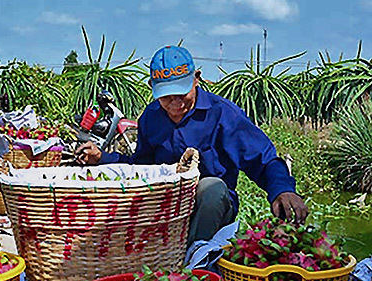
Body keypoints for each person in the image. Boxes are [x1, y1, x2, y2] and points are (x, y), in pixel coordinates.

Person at [76, 45, 308, 246]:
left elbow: (263, 159)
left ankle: (193, 258)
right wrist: (102, 158)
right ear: (153, 87)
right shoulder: (151, 117)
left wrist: (282, 190)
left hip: (210, 209)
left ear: (196, 79)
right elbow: (141, 166)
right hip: (166, 209)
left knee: (212, 187)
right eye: (166, 96)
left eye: (181, 92)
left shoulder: (222, 115)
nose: (175, 103)